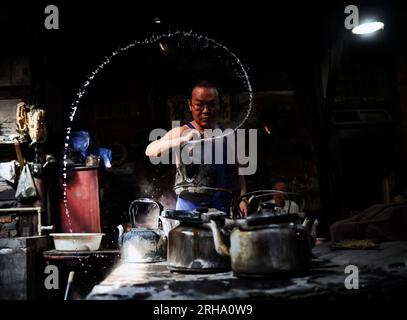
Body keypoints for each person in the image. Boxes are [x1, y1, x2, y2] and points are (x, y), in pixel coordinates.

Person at [146, 81, 248, 216]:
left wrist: (243, 198)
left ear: (219, 104)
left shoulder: (228, 134)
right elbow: (151, 151)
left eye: (211, 104)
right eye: (200, 105)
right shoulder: (182, 132)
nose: (206, 110)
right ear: (190, 105)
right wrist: (181, 140)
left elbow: (238, 172)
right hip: (189, 213)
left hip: (222, 211)